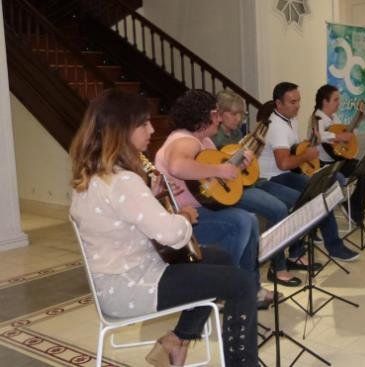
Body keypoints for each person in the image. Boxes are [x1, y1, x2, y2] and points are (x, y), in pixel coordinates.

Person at [69, 89, 259, 366]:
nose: (152, 128)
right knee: (241, 283)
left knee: (220, 258)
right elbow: (172, 235)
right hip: (134, 286)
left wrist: (150, 195)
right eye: (143, 123)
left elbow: (128, 216)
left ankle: (177, 340)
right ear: (122, 130)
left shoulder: (97, 175)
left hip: (119, 279)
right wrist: (184, 217)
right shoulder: (123, 181)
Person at [153, 90, 276, 305]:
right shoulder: (185, 140)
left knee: (251, 220)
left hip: (200, 210)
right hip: (181, 219)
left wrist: (238, 165)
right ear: (204, 116)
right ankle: (221, 285)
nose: (219, 118)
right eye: (216, 113)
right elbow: (178, 166)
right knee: (242, 221)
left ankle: (249, 286)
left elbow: (213, 176)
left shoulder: (205, 142)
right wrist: (221, 170)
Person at [212, 91, 309, 287]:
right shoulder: (214, 137)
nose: (239, 119)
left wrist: (255, 151)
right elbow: (223, 170)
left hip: (252, 181)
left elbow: (247, 165)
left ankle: (296, 253)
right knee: (278, 209)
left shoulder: (237, 133)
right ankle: (278, 267)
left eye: (241, 114)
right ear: (220, 114)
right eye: (234, 114)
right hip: (235, 189)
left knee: (300, 198)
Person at [258, 81, 360, 261]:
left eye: (298, 101)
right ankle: (303, 251)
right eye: (292, 102)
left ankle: (322, 247)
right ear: (278, 104)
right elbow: (283, 163)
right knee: (314, 199)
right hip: (272, 178)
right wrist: (306, 157)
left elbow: (294, 150)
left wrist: (310, 146)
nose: (297, 106)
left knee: (323, 192)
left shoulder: (290, 119)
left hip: (287, 174)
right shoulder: (276, 126)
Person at [312, 84, 365, 224]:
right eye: (336, 100)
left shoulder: (333, 117)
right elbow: (319, 136)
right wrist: (339, 137)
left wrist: (357, 120)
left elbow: (344, 132)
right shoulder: (317, 118)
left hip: (339, 160)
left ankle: (353, 204)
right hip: (326, 165)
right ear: (325, 101)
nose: (339, 103)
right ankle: (355, 208)